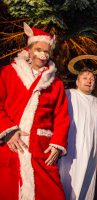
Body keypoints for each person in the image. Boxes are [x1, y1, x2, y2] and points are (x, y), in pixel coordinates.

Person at [0, 22, 70, 200]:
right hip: (11, 146)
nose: (43, 55)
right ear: (29, 49)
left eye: (47, 51)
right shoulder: (9, 73)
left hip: (41, 148)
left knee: (53, 194)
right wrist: (8, 132)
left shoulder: (55, 83)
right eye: (38, 49)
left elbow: (61, 116)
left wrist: (57, 144)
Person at [58, 68, 97, 200]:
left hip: (90, 155)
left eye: (92, 79)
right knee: (65, 186)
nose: (89, 81)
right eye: (85, 78)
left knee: (86, 188)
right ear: (77, 81)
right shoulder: (68, 95)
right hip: (69, 153)